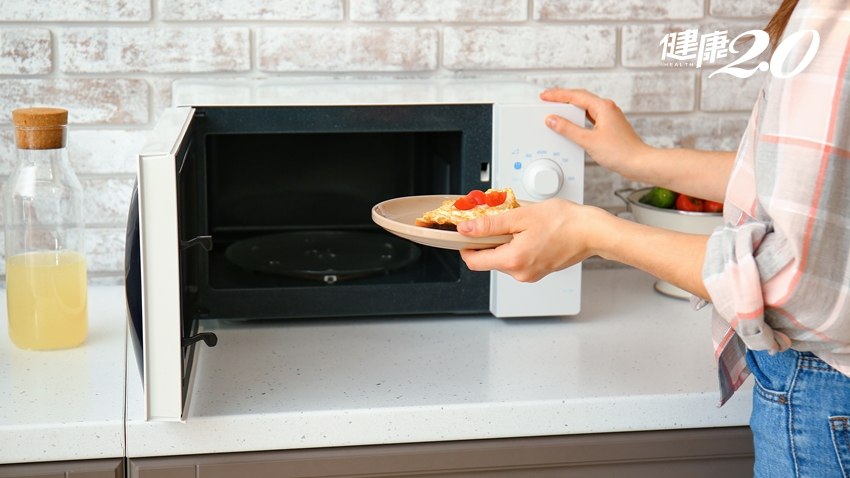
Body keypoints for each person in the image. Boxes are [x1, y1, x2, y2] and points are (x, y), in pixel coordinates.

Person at [457, 0, 850, 475]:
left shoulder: (835, 16)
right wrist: (639, 159)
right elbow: (809, 182)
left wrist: (594, 231)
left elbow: (792, 283)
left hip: (827, 397)